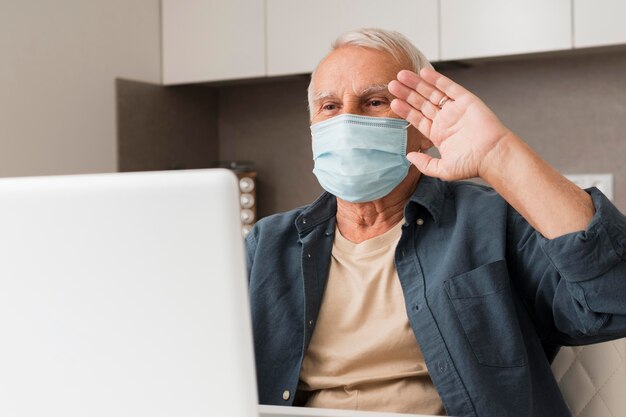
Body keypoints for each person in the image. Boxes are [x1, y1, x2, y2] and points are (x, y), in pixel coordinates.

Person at [245, 28, 626, 417]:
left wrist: (500, 154)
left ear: (423, 125)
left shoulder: (491, 221)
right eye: (329, 107)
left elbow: (614, 301)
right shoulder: (267, 245)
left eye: (374, 101)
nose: (346, 122)